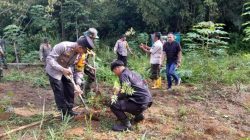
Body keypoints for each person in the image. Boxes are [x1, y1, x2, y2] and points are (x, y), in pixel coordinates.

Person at [46, 36, 94, 118]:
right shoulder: (63, 46)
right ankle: (64, 114)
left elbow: (79, 70)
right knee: (59, 91)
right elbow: (49, 59)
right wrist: (61, 69)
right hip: (54, 71)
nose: (84, 54)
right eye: (84, 51)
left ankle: (70, 110)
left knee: (70, 89)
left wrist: (78, 83)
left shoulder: (80, 55)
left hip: (67, 70)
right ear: (79, 47)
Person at [110, 60, 152, 131]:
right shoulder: (133, 72)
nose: (115, 74)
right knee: (128, 98)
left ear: (116, 68)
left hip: (140, 103)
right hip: (147, 101)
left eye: (114, 71)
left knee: (113, 103)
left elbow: (125, 92)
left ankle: (126, 125)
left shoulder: (123, 75)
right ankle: (139, 116)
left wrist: (115, 96)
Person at [74, 28, 99, 95]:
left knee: (92, 75)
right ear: (90, 36)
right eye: (93, 38)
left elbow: (88, 50)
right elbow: (79, 51)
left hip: (85, 60)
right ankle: (81, 92)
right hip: (79, 62)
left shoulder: (90, 40)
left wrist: (91, 52)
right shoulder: (82, 39)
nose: (94, 39)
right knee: (79, 78)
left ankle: (86, 91)